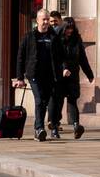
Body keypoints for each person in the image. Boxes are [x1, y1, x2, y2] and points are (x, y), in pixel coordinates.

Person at [13, 10, 64, 141]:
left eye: (48, 19)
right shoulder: (29, 36)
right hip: (34, 74)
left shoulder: (54, 36)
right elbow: (20, 57)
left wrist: (63, 69)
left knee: (45, 102)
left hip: (50, 75)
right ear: (37, 21)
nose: (46, 22)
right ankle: (39, 128)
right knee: (39, 100)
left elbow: (61, 56)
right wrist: (19, 78)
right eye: (44, 20)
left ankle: (39, 128)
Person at [52, 18, 95, 140]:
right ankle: (55, 127)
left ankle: (76, 125)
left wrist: (89, 74)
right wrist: (63, 69)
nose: (69, 31)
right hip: (60, 75)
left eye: (71, 28)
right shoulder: (57, 39)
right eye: (67, 28)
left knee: (72, 100)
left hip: (73, 75)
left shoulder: (76, 40)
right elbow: (56, 58)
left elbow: (82, 58)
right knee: (58, 101)